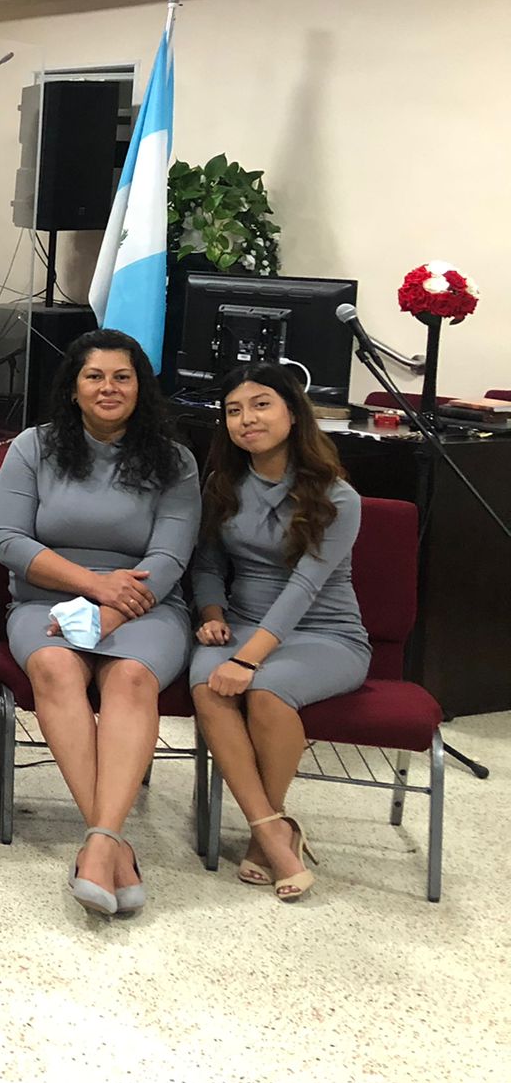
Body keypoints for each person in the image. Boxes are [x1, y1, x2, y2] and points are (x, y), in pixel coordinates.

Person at [0, 329, 200, 918]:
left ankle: (99, 846)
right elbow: (9, 542)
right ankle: (111, 842)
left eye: (122, 377)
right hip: (47, 602)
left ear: (140, 387)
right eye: (95, 376)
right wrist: (93, 586)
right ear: (73, 388)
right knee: (55, 669)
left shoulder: (174, 460)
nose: (109, 388)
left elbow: (170, 557)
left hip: (146, 604)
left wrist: (111, 609)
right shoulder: (33, 447)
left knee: (130, 677)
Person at [189, 363, 369, 903]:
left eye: (261, 404)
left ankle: (263, 832)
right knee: (207, 687)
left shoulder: (338, 497)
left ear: (293, 413)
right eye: (234, 410)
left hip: (325, 632)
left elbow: (305, 588)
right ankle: (274, 830)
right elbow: (207, 564)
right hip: (241, 624)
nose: (247, 419)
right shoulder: (222, 484)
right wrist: (212, 614)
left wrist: (248, 660)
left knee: (266, 691)